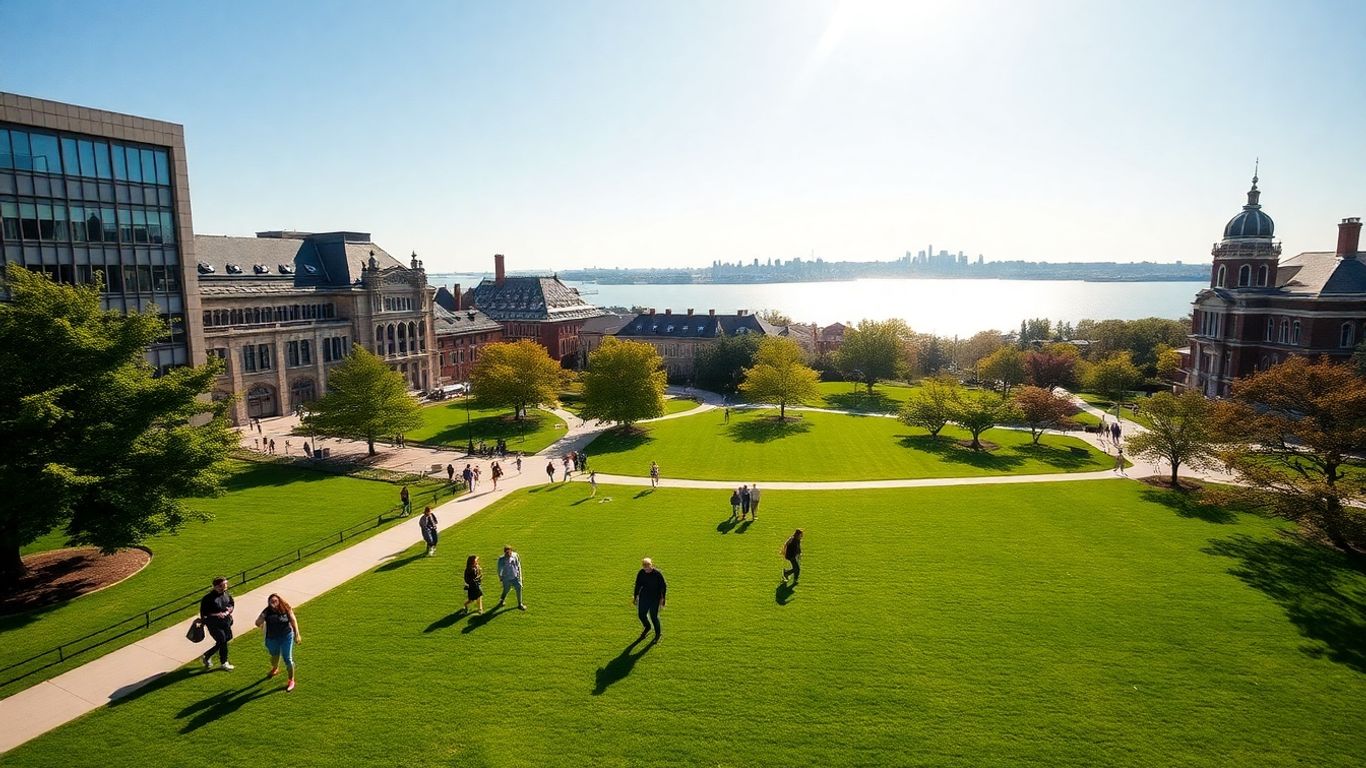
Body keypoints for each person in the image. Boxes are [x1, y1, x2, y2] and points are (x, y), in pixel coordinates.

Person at [253, 593, 301, 692]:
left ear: (279, 601)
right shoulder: (267, 611)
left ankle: (291, 680)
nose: (273, 603)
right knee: (274, 657)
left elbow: (293, 620)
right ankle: (275, 668)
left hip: (286, 636)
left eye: (275, 601)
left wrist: (297, 634)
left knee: (288, 659)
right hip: (271, 638)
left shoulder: (286, 608)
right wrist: (261, 621)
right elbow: (257, 623)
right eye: (271, 601)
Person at [198, 577, 236, 671]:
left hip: (225, 621)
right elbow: (204, 612)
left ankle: (207, 656)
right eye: (221, 586)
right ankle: (224, 662)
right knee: (222, 641)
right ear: (215, 587)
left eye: (225, 585)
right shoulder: (207, 598)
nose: (224, 587)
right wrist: (216, 614)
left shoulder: (226, 594)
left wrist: (228, 611)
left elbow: (231, 604)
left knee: (227, 638)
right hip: (213, 623)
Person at [633, 557, 666, 643]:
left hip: (655, 598)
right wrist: (635, 596)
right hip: (644, 597)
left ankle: (657, 634)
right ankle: (647, 627)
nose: (646, 570)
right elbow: (638, 585)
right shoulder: (641, 573)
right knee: (641, 614)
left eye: (648, 567)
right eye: (645, 568)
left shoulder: (657, 574)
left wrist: (663, 598)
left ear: (651, 565)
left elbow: (663, 586)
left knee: (653, 616)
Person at [496, 546, 527, 610]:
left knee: (519, 588)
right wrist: (500, 577)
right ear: (504, 552)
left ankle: (520, 604)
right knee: (506, 590)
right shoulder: (501, 559)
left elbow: (518, 565)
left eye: (509, 552)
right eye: (506, 553)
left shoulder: (515, 555)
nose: (508, 554)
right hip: (507, 578)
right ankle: (502, 600)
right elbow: (499, 570)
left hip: (515, 577)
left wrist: (519, 575)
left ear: (511, 551)